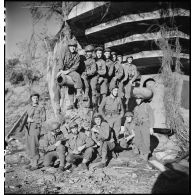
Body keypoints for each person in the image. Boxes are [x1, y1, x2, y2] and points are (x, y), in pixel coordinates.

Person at [57, 39, 83, 110]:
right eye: (71, 46)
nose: (73, 48)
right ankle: (69, 104)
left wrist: (68, 71)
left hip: (70, 70)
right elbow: (60, 60)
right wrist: (61, 70)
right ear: (69, 47)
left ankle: (78, 93)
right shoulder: (64, 51)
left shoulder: (77, 55)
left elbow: (76, 65)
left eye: (74, 46)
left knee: (77, 76)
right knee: (65, 85)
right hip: (63, 69)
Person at [25, 92, 46, 171]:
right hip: (28, 128)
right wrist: (27, 120)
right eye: (34, 98)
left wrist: (33, 120)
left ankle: (35, 164)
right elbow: (24, 117)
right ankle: (31, 162)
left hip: (36, 128)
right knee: (29, 145)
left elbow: (43, 119)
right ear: (31, 99)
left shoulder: (41, 107)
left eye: (37, 98)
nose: (35, 99)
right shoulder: (28, 107)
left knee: (34, 145)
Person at [133, 95, 154, 161]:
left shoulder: (147, 106)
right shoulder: (136, 108)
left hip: (145, 125)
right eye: (136, 99)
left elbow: (151, 117)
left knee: (146, 140)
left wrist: (151, 127)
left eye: (139, 99)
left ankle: (146, 155)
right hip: (138, 126)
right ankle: (141, 154)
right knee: (139, 140)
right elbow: (134, 117)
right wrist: (134, 127)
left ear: (142, 99)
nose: (137, 100)